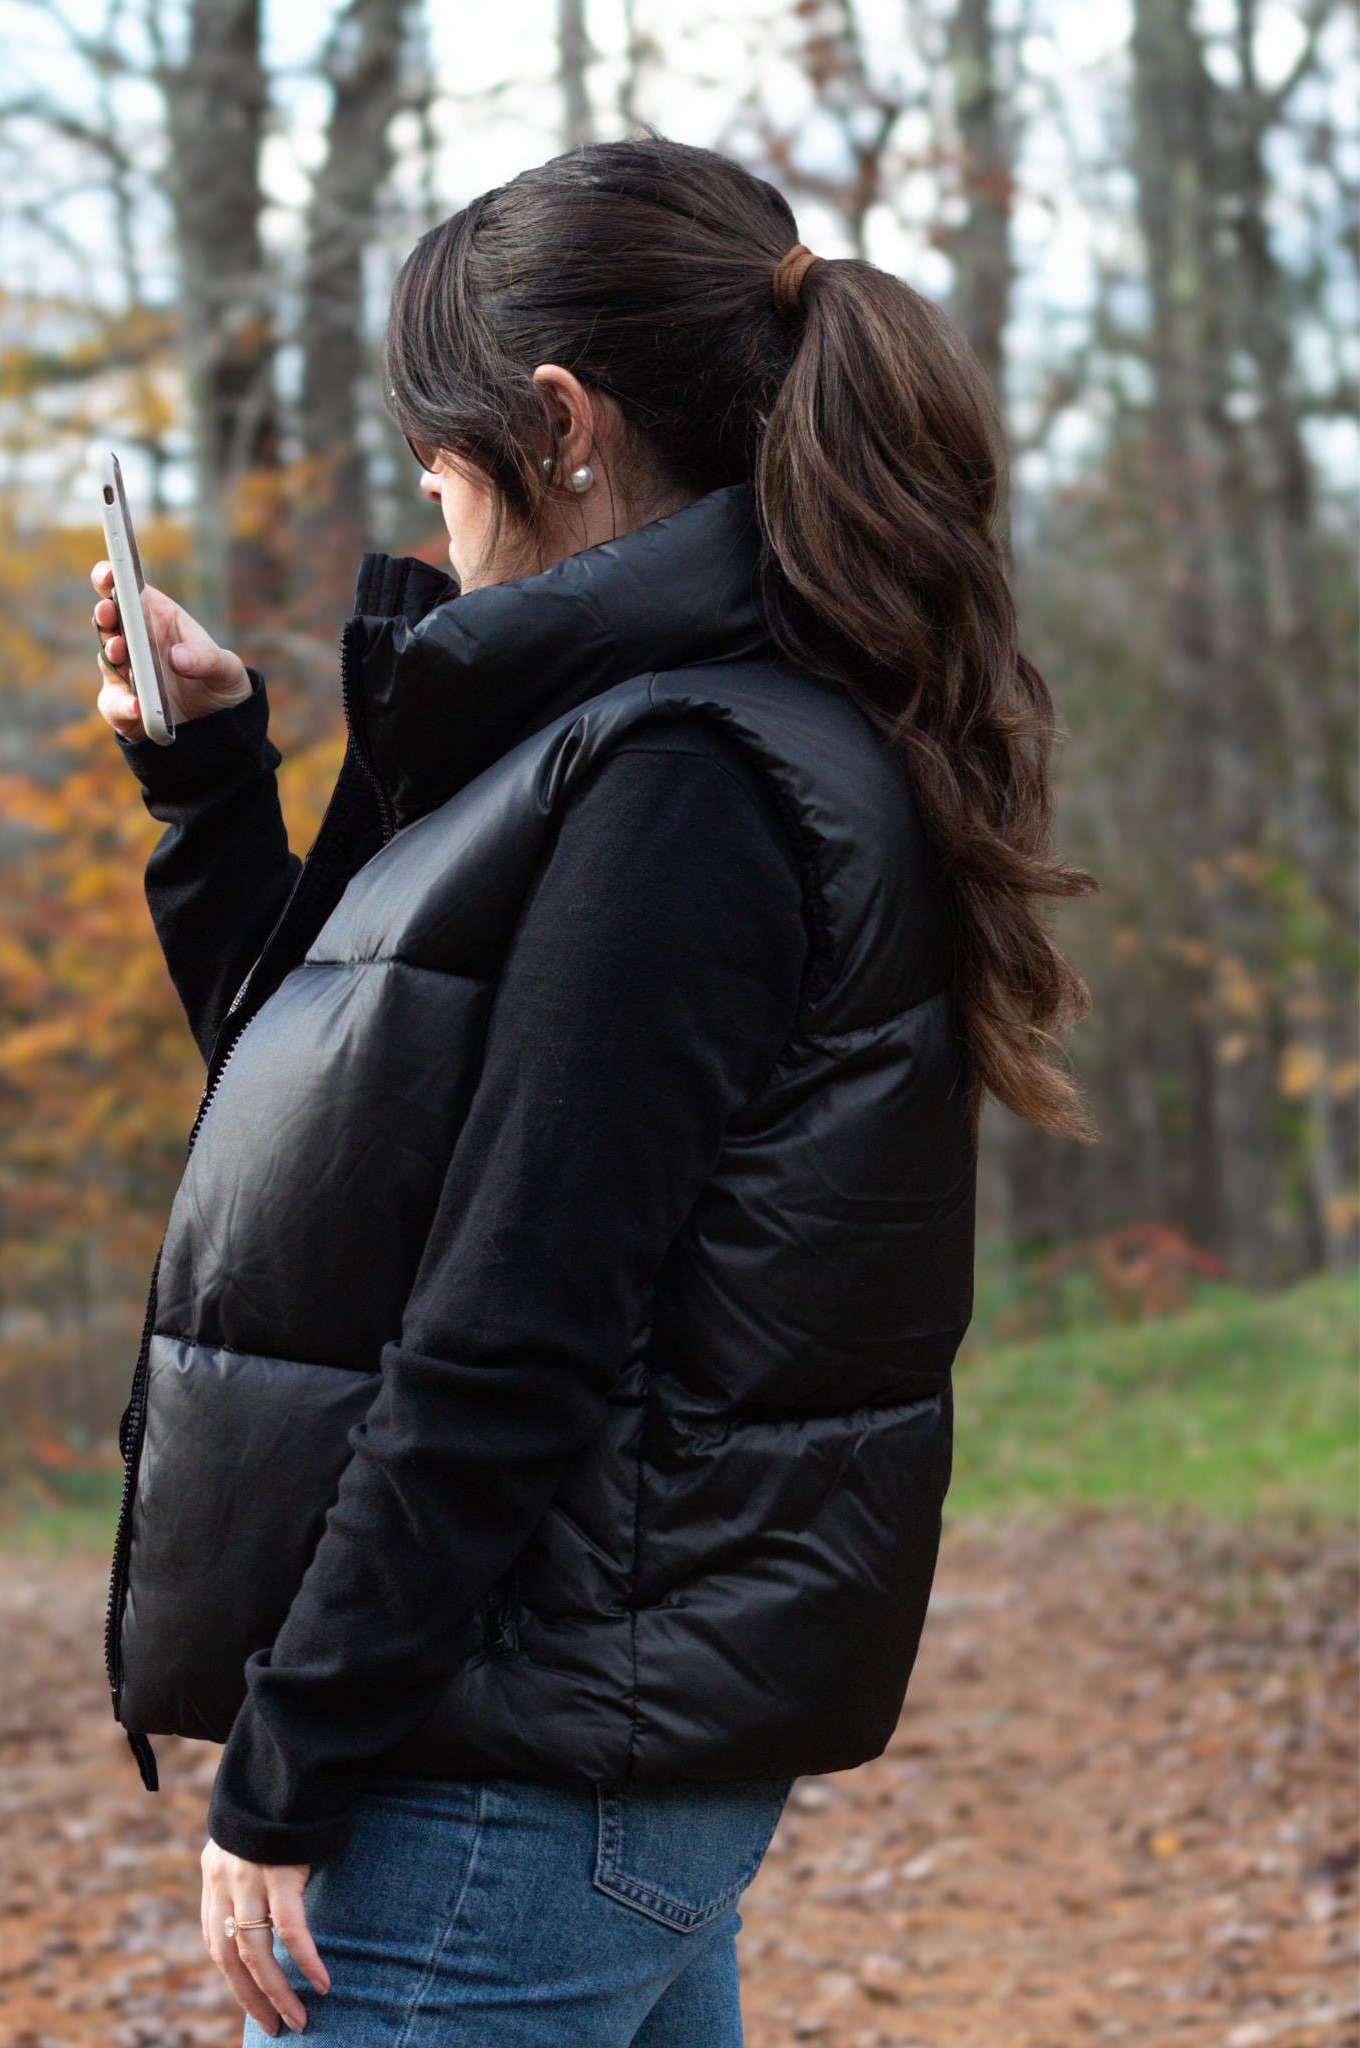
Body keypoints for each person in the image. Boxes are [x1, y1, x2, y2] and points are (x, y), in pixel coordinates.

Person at [90, 138, 1091, 2048]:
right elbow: (346, 1136)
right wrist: (216, 787)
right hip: (584, 1750)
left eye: (435, 455)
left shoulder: (680, 786)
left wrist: (292, 1755)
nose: (428, 503)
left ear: (556, 425)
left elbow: (514, 1328)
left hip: (505, 1773)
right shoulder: (671, 734)